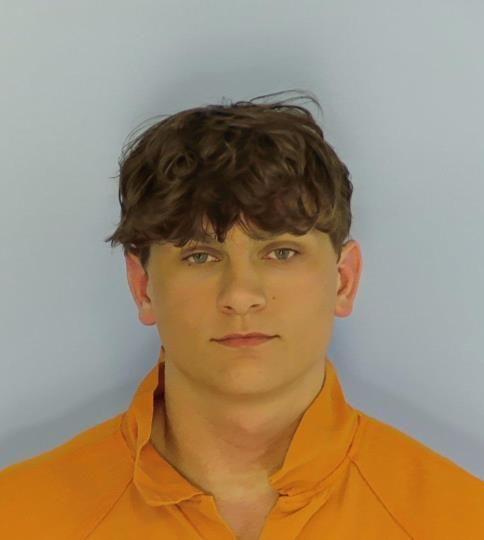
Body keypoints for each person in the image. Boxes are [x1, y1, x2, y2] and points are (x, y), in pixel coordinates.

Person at [0, 90, 482, 539]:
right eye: (200, 256)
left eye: (281, 253)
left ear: (344, 280)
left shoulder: (461, 520)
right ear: (143, 286)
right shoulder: (18, 517)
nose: (241, 295)